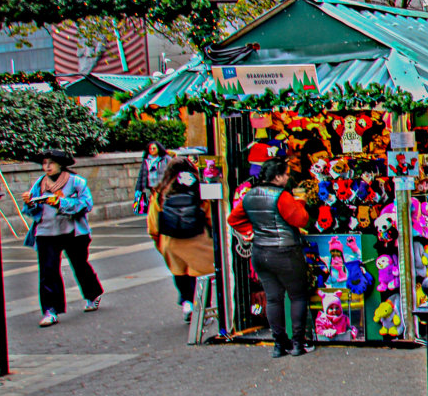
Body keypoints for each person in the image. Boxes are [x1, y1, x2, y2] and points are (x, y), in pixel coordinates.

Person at [225, 163, 315, 356]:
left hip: (260, 252)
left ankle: (279, 345)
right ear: (278, 176)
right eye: (286, 175)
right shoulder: (282, 196)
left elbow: (233, 219)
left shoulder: (249, 195)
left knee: (273, 299)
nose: (288, 178)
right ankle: (298, 343)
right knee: (297, 296)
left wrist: (249, 231)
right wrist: (301, 202)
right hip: (285, 252)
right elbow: (300, 220)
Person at [18, 152, 100, 328]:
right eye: (45, 163)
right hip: (46, 231)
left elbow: (86, 204)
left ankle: (92, 294)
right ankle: (50, 309)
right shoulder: (39, 183)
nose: (47, 166)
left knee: (80, 264)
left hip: (72, 231)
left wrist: (60, 203)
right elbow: (31, 211)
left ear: (61, 164)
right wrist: (30, 203)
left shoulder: (76, 181)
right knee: (48, 271)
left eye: (51, 163)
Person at [146, 158, 214, 324]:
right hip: (198, 239)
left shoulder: (160, 191)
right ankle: (201, 310)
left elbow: (153, 226)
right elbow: (213, 215)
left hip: (171, 240)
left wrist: (160, 243)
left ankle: (187, 303)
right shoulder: (202, 188)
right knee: (201, 278)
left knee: (180, 273)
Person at [132, 141, 168, 215]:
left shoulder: (165, 159)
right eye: (150, 149)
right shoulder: (146, 161)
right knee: (152, 208)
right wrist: (138, 189)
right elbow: (141, 175)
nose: (152, 150)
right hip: (150, 188)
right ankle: (154, 222)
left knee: (162, 206)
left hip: (162, 188)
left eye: (154, 148)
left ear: (159, 149)